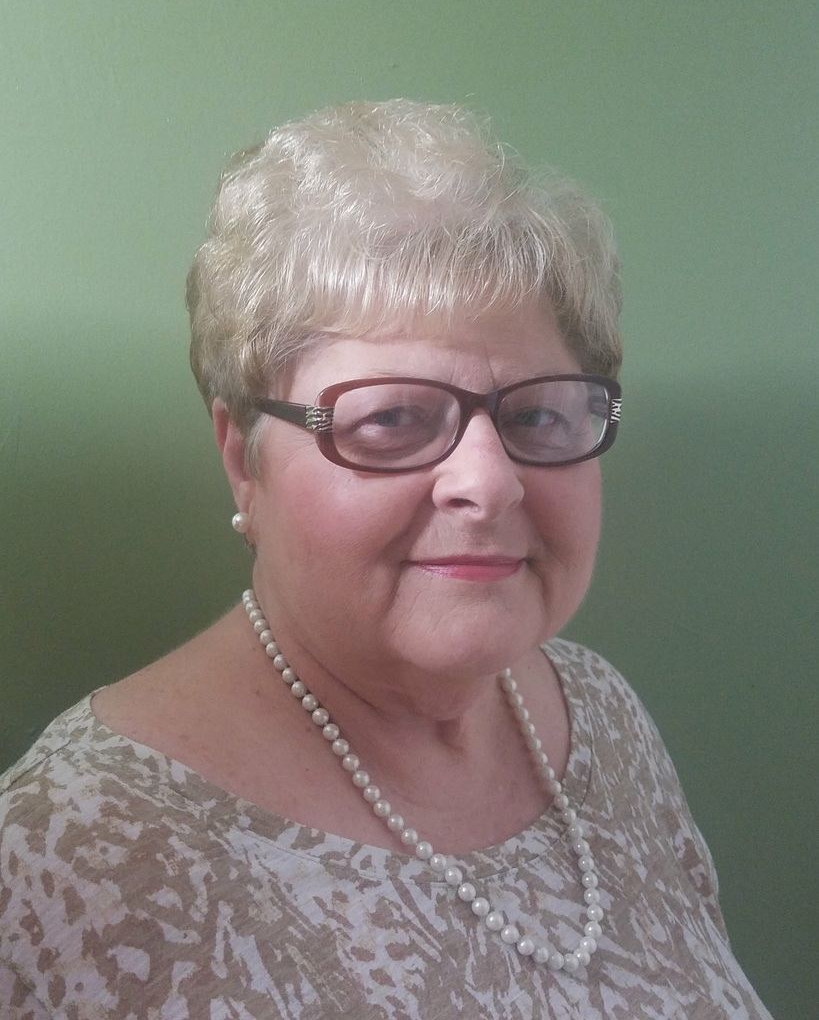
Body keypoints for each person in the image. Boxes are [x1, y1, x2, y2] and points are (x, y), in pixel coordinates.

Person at [0, 100, 772, 1020]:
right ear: (244, 460)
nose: (488, 484)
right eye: (393, 418)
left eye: (536, 414)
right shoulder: (68, 857)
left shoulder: (600, 715)